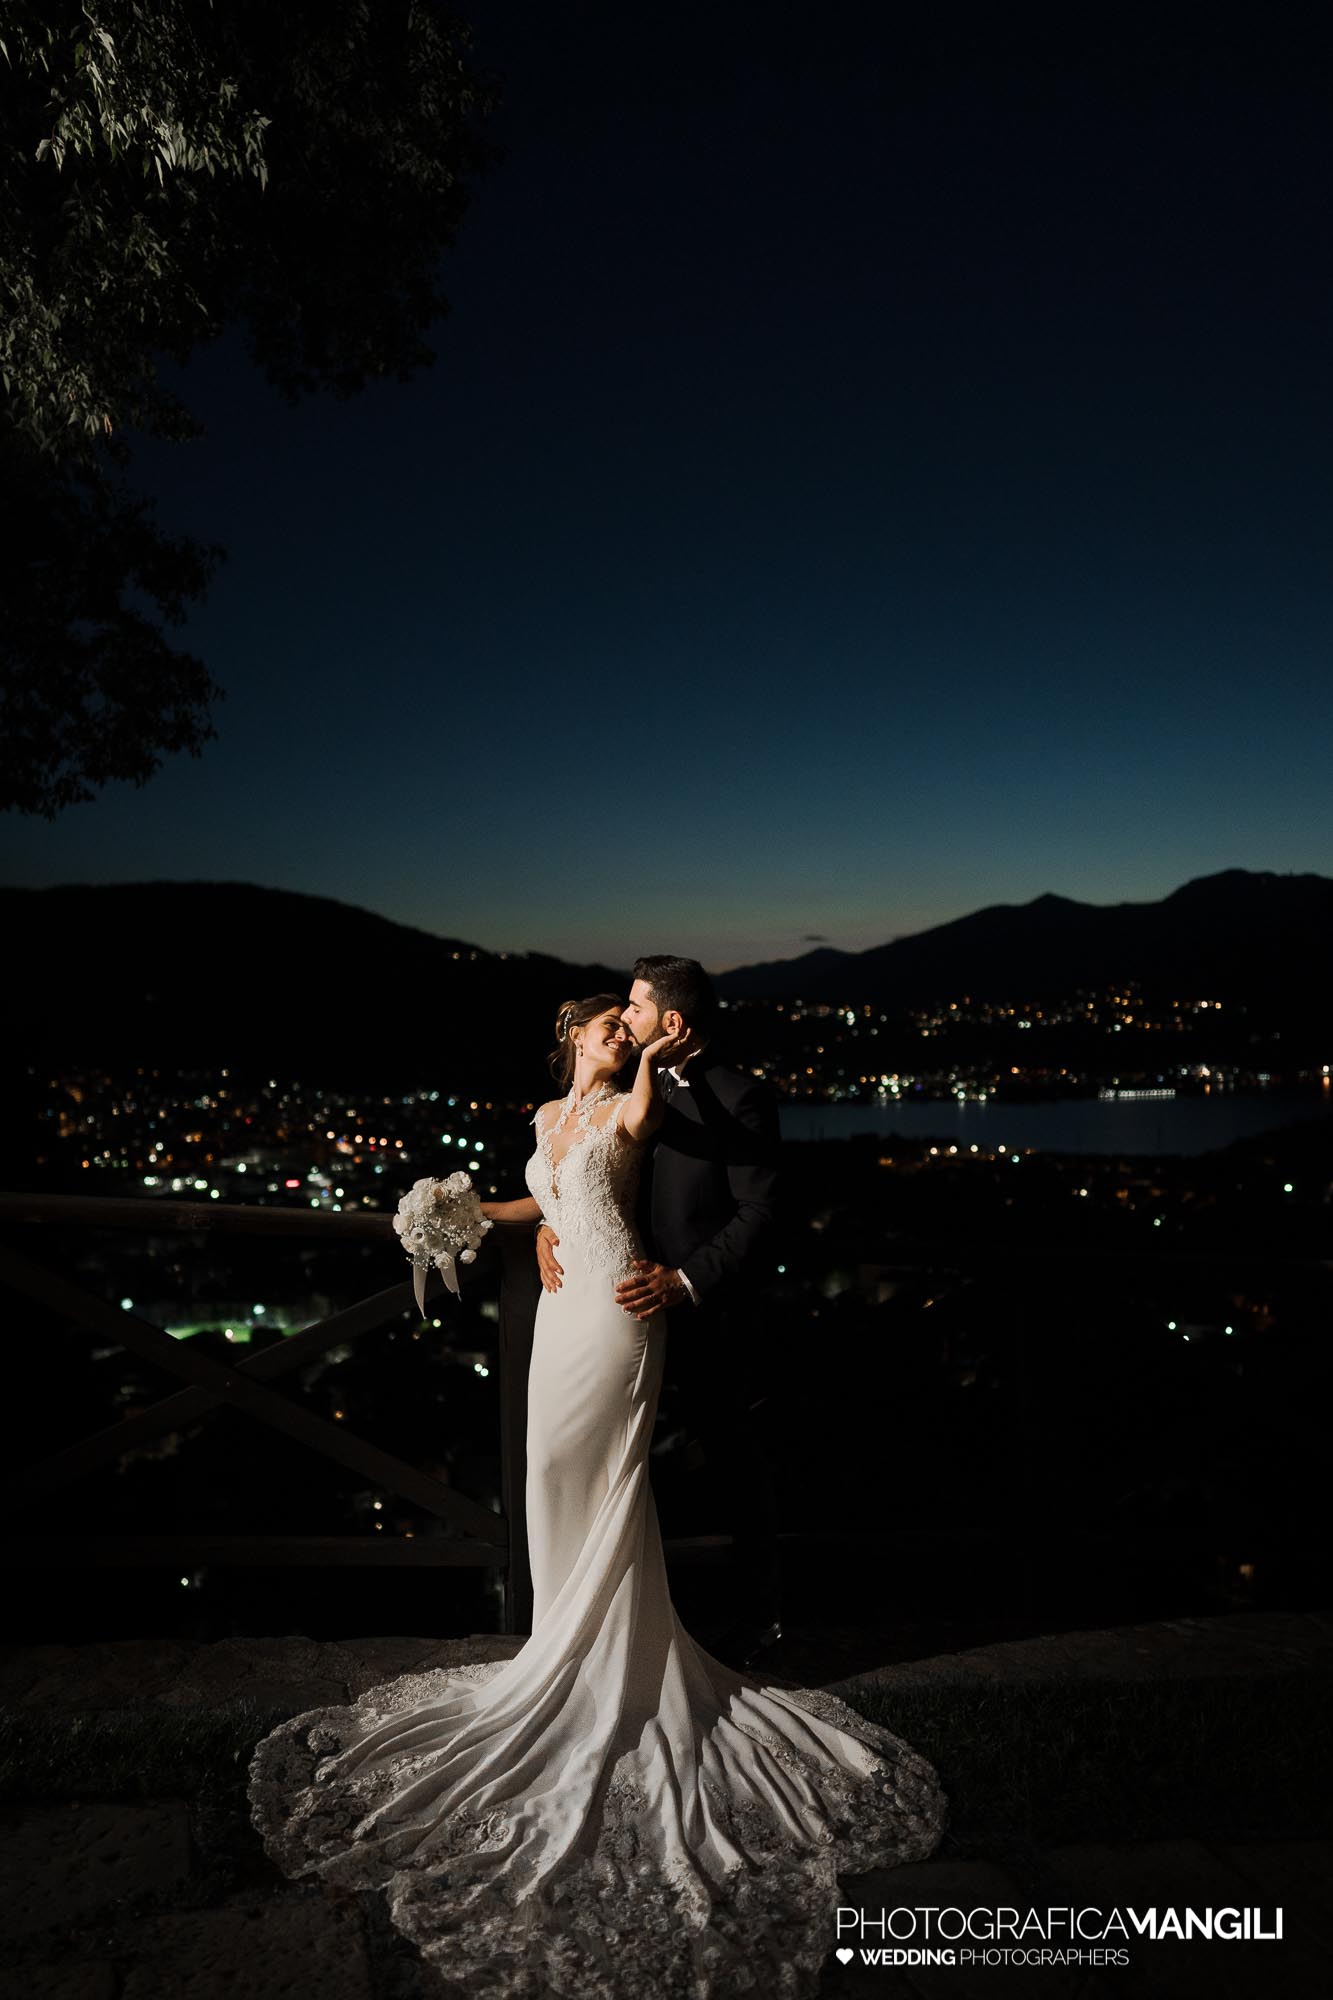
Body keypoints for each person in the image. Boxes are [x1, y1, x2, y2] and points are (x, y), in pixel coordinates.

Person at [247, 992, 945, 1998]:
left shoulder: (633, 1101)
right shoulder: (546, 1114)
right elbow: (543, 1199)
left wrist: (653, 1054)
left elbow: (640, 1128)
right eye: (609, 1024)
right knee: (546, 1470)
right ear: (572, 1036)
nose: (620, 1032)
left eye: (630, 1023)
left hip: (618, 1307)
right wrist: (458, 1214)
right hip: (563, 1303)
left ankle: (606, 1658)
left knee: (610, 1471)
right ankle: (558, 1644)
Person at [537, 955, 783, 1668]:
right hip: (614, 1310)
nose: (625, 1019)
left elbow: (761, 1210)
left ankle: (754, 1622)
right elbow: (595, 1177)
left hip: (703, 1317)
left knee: (731, 1465)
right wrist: (550, 1224)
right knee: (619, 1464)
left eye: (636, 1009)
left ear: (671, 1022)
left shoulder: (738, 1095)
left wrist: (685, 1280)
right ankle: (624, 1623)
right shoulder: (625, 1092)